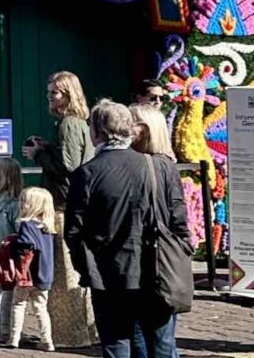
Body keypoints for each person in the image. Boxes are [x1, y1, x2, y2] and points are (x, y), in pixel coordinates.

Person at [65, 100, 188, 358]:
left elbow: (74, 232)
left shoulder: (87, 173)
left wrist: (86, 268)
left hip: (108, 273)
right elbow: (179, 220)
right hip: (156, 268)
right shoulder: (160, 166)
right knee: (162, 346)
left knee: (117, 343)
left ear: (97, 132)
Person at [22, 71, 96, 347]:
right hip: (76, 204)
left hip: (63, 206)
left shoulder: (68, 123)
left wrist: (38, 154)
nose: (49, 97)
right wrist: (48, 147)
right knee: (76, 272)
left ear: (68, 94)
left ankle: (69, 335)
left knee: (64, 274)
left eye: (55, 92)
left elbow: (68, 166)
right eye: (49, 92)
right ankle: (86, 331)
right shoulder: (80, 123)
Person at [129, 103, 181, 358]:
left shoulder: (159, 166)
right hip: (159, 257)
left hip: (152, 257)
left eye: (132, 122)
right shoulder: (165, 165)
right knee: (156, 335)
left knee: (151, 334)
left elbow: (177, 215)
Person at [8, 187, 56, 351]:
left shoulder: (26, 225)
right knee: (41, 308)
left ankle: (14, 337)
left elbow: (25, 247)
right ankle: (47, 339)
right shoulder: (48, 228)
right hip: (45, 275)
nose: (20, 204)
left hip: (27, 274)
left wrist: (12, 246)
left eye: (24, 201)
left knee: (18, 304)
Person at [0, 157, 22, 342]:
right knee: (8, 290)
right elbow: (18, 229)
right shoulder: (16, 203)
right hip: (9, 252)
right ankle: (7, 329)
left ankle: (0, 325)